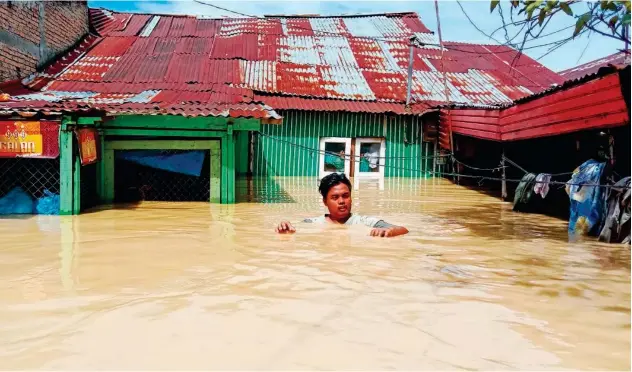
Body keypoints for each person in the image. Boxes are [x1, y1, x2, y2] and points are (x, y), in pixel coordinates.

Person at [275, 173, 409, 237]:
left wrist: (390, 232)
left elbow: (403, 229)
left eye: (345, 196)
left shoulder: (365, 221)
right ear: (325, 201)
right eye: (335, 197)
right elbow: (294, 229)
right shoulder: (312, 222)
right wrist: (285, 227)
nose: (341, 201)